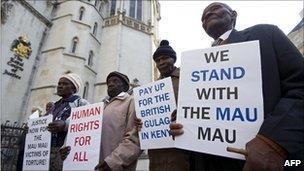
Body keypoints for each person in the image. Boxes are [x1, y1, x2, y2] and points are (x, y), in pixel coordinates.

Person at [170, 2, 304, 171]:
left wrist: (275, 141)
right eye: (203, 16)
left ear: (233, 15)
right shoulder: (196, 64)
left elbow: (300, 85)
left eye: (215, 8)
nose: (207, 14)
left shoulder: (266, 34)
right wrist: (182, 121)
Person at [61, 71, 142, 171]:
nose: (111, 84)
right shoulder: (98, 106)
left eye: (115, 81)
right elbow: (80, 130)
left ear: (125, 87)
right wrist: (66, 148)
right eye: (109, 82)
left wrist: (113, 161)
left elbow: (135, 138)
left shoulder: (132, 102)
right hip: (93, 166)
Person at [135, 40, 191, 171]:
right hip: (157, 154)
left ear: (174, 59)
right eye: (158, 60)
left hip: (183, 150)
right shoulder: (152, 89)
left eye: (165, 58)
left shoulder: (188, 77)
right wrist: (141, 123)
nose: (161, 63)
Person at [47, 72, 89, 171]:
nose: (60, 86)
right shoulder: (54, 105)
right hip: (47, 149)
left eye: (65, 84)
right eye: (59, 84)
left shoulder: (81, 103)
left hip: (65, 152)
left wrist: (65, 125)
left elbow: (85, 122)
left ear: (74, 88)